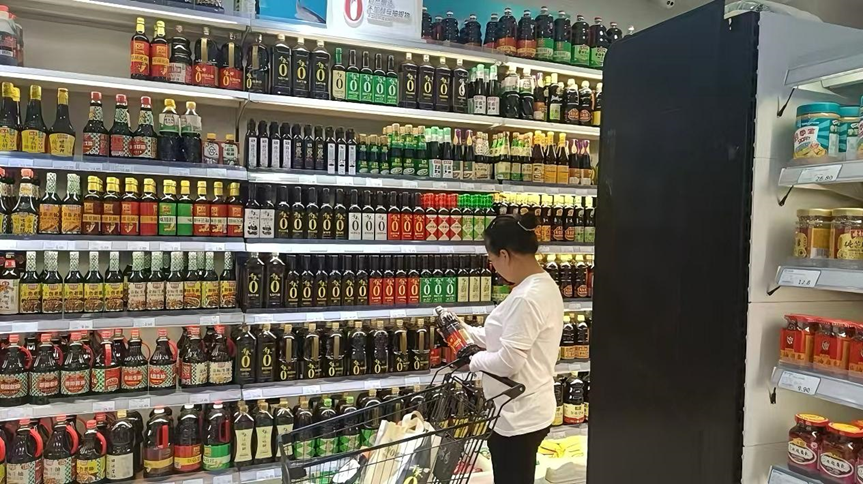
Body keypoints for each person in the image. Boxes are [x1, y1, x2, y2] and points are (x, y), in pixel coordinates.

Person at [465, 212, 565, 483]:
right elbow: (510, 337)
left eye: (492, 260)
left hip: (519, 416)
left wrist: (474, 361)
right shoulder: (541, 284)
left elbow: (509, 362)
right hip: (525, 409)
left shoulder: (527, 298)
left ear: (504, 255)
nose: (494, 267)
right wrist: (466, 332)